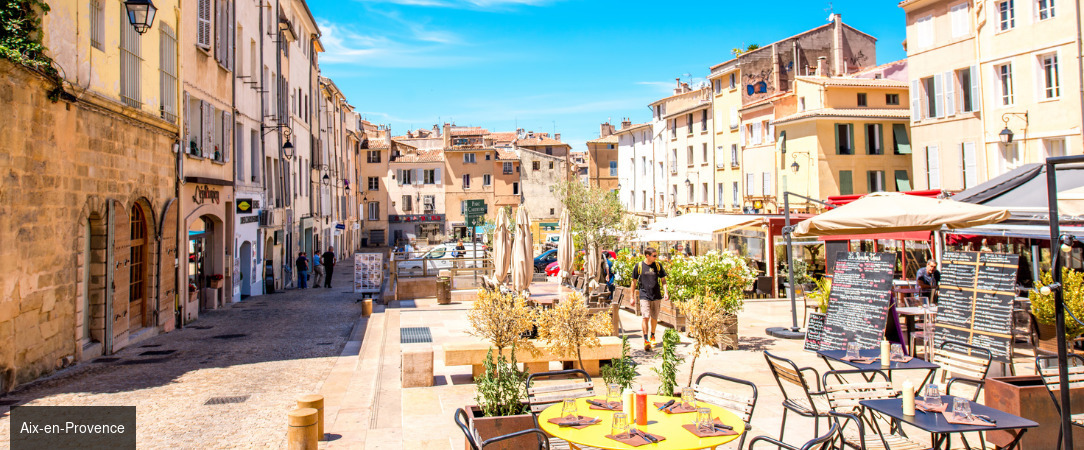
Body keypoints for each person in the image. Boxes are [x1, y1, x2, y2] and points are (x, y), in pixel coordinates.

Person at [630, 247, 667, 351]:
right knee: (645, 317)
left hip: (656, 295)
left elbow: (663, 280)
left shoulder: (658, 266)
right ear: (647, 256)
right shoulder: (639, 266)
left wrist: (666, 292)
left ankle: (652, 335)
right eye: (654, 255)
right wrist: (632, 296)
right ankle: (646, 339)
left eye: (656, 255)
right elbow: (634, 282)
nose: (656, 257)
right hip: (644, 295)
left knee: (654, 317)